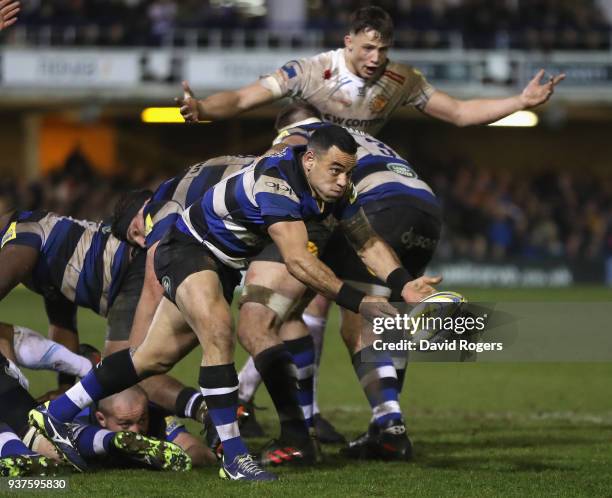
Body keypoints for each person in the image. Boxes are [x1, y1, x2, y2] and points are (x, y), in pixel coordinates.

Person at [32, 125, 439, 481]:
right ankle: (235, 455)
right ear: (310, 159)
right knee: (220, 332)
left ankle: (55, 414)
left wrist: (403, 285)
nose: (343, 180)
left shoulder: (336, 187)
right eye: (336, 170)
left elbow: (366, 242)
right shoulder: (276, 182)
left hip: (220, 264)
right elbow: (298, 261)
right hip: (188, 249)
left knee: (149, 360)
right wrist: (361, 301)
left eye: (349, 171)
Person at [236, 102, 442, 461]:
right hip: (424, 207)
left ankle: (302, 419)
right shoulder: (352, 142)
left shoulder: (304, 139)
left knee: (325, 314)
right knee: (384, 317)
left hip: (378, 205)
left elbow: (264, 168)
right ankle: (384, 426)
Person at [177, 6, 565, 135]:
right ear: (348, 42)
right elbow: (244, 98)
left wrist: (520, 100)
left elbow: (461, 114)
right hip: (306, 169)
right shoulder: (310, 71)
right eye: (367, 48)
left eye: (383, 49)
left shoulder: (402, 81)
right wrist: (206, 109)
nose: (376, 58)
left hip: (358, 174)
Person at [70, 386, 211, 469]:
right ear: (101, 418)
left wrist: (177, 460)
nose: (136, 432)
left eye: (142, 420)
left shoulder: (156, 415)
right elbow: (53, 448)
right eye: (125, 424)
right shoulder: (80, 418)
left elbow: (203, 452)